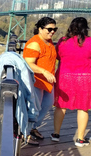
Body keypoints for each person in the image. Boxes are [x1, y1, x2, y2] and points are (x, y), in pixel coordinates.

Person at [52, 17, 91, 147]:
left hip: (64, 77)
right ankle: (80, 139)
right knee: (83, 108)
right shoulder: (90, 42)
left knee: (61, 105)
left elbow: (57, 56)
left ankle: (56, 134)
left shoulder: (62, 41)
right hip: (84, 78)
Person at [22, 17, 58, 145]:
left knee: (47, 104)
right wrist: (44, 71)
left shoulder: (49, 41)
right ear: (40, 29)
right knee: (33, 108)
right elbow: (28, 63)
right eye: (49, 29)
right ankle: (26, 133)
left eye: (54, 29)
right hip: (36, 81)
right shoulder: (35, 43)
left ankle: (33, 128)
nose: (52, 32)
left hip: (47, 81)